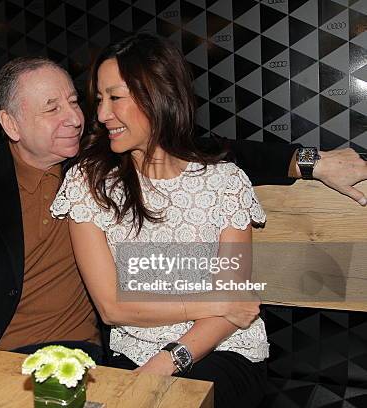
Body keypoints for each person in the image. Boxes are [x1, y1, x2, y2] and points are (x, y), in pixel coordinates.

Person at [0, 54, 367, 387]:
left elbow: (204, 150)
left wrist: (312, 160)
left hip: (73, 356)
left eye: (76, 101)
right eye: (51, 108)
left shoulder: (98, 163)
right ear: (10, 123)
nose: (76, 117)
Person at [50, 33, 279, 407]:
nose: (103, 114)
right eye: (99, 100)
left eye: (115, 97)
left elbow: (233, 312)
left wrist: (170, 359)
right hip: (133, 353)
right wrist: (214, 303)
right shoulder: (89, 183)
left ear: (157, 94)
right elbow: (112, 307)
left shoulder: (225, 183)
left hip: (223, 349)